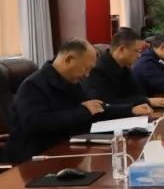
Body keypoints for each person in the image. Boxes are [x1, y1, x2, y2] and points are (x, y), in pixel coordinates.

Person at [3, 39, 133, 163]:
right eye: (86, 68)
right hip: (35, 159)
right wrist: (82, 112)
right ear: (69, 59)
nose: (87, 75)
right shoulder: (33, 86)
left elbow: (93, 109)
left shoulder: (71, 83)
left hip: (68, 151)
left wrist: (131, 110)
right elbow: (35, 123)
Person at [82, 29, 164, 113]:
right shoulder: (98, 70)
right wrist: (140, 105)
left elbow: (137, 94)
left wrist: (146, 101)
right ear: (122, 49)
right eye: (137, 51)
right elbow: (104, 105)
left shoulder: (124, 67)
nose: (139, 56)